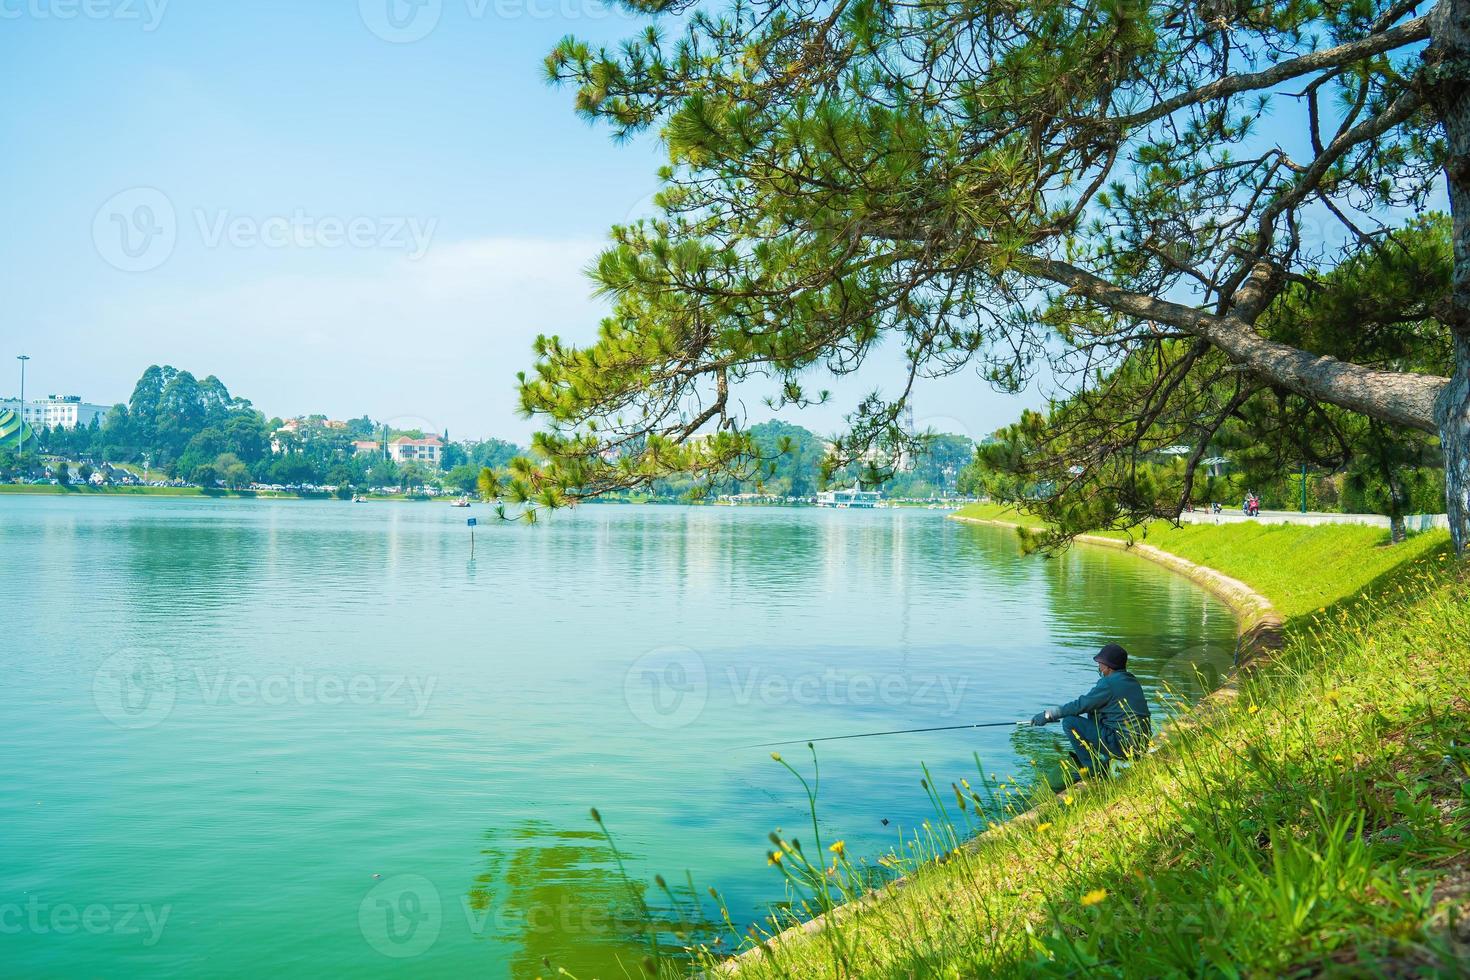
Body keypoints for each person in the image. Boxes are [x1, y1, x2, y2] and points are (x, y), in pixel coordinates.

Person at [1031, 644, 1152, 777]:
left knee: (1069, 722)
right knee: (1094, 711)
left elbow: (1080, 705)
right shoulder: (1131, 680)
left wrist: (1049, 715)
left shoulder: (1108, 683)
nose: (1099, 666)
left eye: (1100, 663)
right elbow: (1090, 706)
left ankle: (1092, 769)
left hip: (1123, 746)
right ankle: (1103, 760)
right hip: (1140, 745)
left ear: (1107, 666)